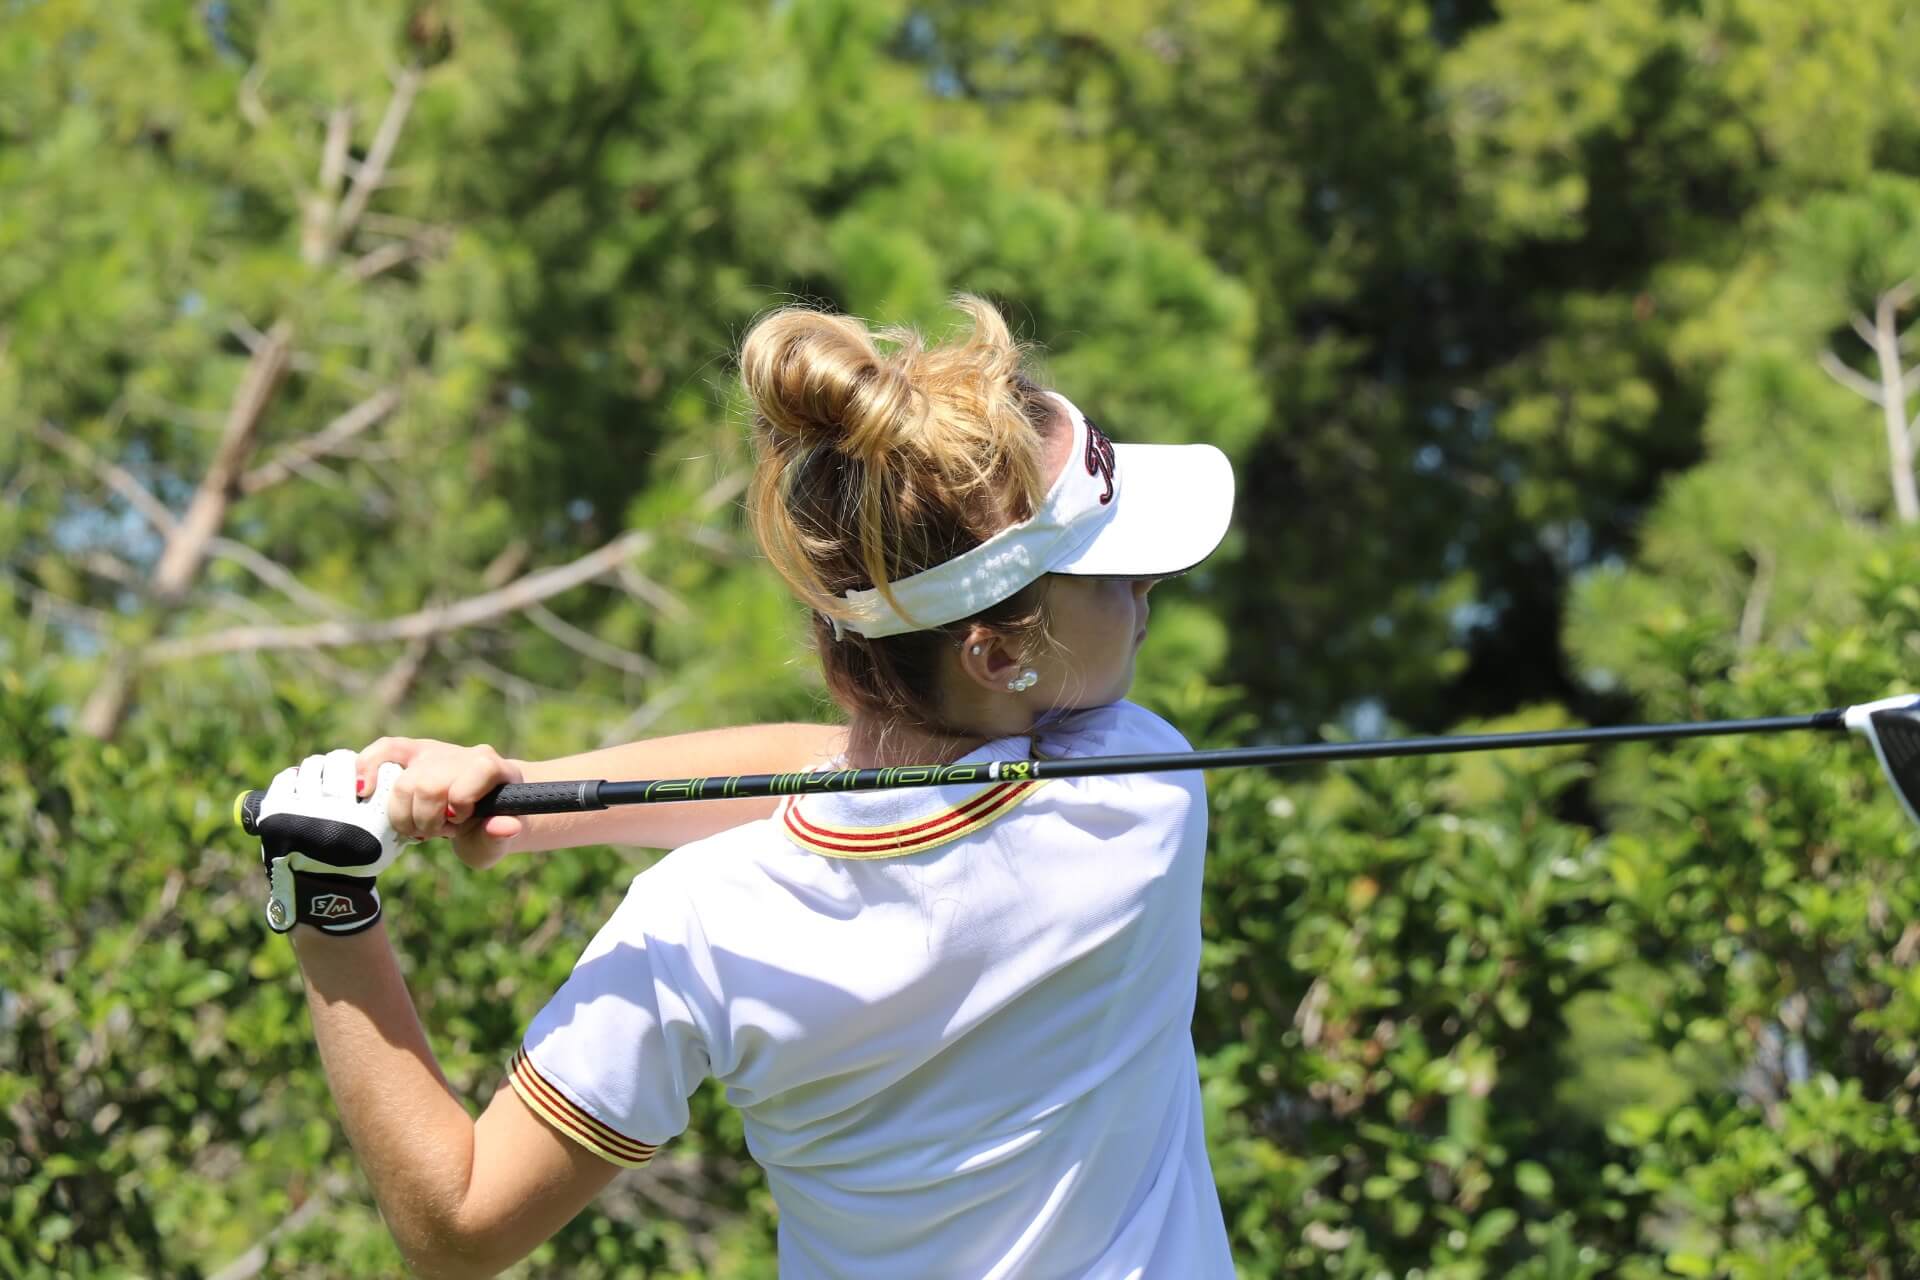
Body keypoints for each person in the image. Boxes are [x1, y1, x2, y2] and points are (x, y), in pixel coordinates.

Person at [251, 295, 1237, 1277]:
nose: (1147, 590)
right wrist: (527, 799)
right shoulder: (1142, 789)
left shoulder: (704, 920)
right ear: (995, 655)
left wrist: (333, 899)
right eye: (1116, 575)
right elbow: (853, 773)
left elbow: (460, 1227)